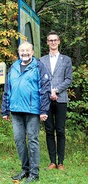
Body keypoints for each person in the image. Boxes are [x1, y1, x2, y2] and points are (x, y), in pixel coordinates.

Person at [1, 41, 51, 183]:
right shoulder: (14, 67)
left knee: (33, 140)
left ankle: (34, 173)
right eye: (22, 50)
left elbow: (45, 89)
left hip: (32, 111)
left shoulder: (39, 66)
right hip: (16, 110)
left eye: (27, 50)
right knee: (19, 140)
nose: (25, 53)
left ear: (32, 52)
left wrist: (43, 110)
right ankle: (25, 169)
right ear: (18, 52)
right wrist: (5, 109)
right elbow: (7, 88)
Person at [40, 31, 73, 171]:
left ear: (59, 42)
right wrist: (49, 92)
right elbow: (40, 80)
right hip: (46, 100)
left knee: (60, 130)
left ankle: (61, 162)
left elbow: (69, 80)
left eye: (55, 40)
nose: (53, 42)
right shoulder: (41, 60)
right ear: (47, 42)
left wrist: (56, 90)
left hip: (61, 99)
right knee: (49, 130)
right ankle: (52, 161)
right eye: (50, 40)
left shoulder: (66, 60)